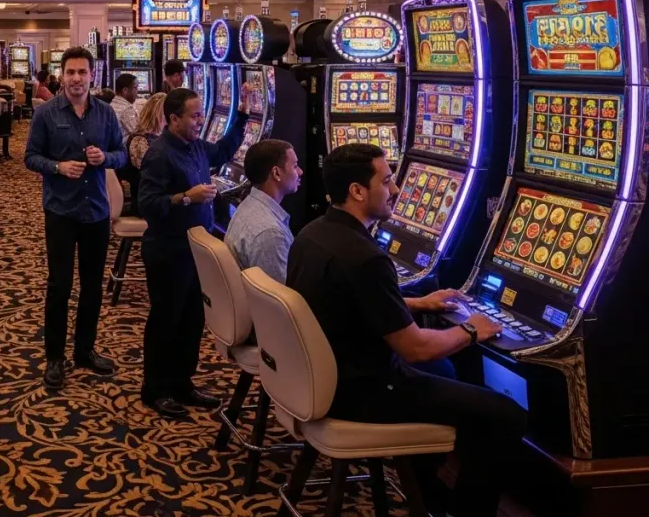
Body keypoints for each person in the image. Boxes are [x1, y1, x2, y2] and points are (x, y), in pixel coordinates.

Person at [287, 143, 526, 517]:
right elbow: (415, 348)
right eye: (386, 181)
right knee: (505, 414)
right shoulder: (366, 257)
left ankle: (427, 492)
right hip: (362, 393)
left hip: (321, 378)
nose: (396, 189)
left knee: (444, 370)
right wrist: (471, 329)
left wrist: (417, 302)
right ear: (357, 191)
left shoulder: (312, 234)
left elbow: (349, 301)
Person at [136, 84, 255, 418]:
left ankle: (181, 383)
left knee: (191, 319)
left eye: (202, 114)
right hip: (168, 249)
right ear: (174, 119)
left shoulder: (196, 146)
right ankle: (155, 389)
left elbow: (222, 151)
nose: (201, 120)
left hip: (195, 248)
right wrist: (187, 197)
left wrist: (242, 114)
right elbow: (148, 204)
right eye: (195, 116)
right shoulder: (159, 154)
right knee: (166, 320)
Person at [25, 46, 127, 391]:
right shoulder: (46, 113)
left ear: (92, 75)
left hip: (96, 210)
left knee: (92, 287)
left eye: (82, 72)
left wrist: (105, 158)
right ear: (62, 75)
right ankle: (55, 357)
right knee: (60, 286)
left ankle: (84, 350)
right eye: (70, 72)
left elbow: (122, 154)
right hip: (61, 210)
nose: (76, 78)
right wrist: (58, 167)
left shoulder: (106, 113)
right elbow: (30, 157)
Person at [224, 139, 302, 283]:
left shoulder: (248, 204)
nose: (300, 172)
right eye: (295, 166)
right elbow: (280, 294)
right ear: (276, 173)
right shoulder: (270, 233)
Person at [121, 92, 166, 217]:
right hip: (147, 202)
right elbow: (153, 175)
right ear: (158, 115)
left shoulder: (160, 138)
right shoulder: (140, 140)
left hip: (160, 198)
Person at [110, 73, 140, 138]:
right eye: (135, 88)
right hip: (125, 144)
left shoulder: (111, 104)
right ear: (125, 90)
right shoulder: (127, 109)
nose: (137, 91)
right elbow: (138, 133)